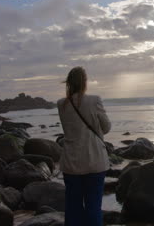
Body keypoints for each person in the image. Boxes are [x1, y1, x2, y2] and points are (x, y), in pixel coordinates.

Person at [57, 66, 111, 226]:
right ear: (84, 82)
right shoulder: (94, 101)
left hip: (71, 162)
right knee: (93, 208)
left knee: (73, 208)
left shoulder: (61, 104)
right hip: (94, 161)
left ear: (69, 83)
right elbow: (106, 127)